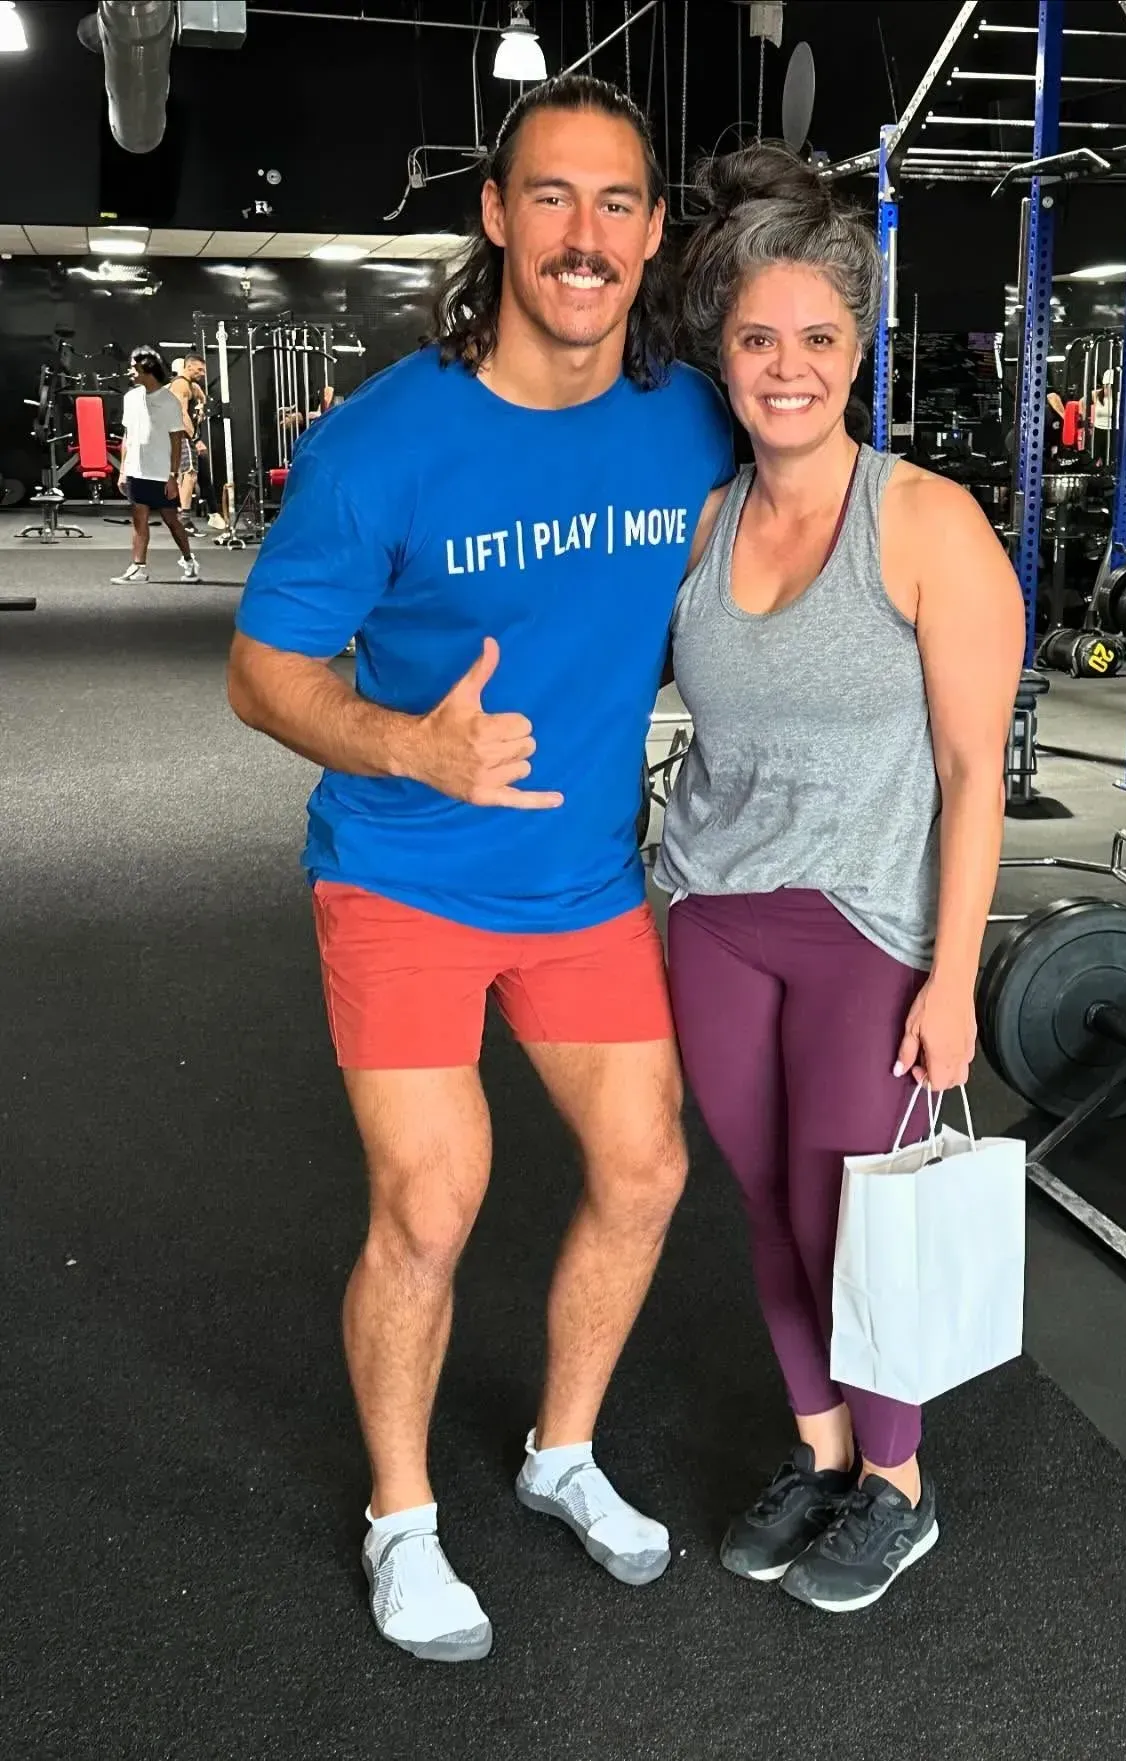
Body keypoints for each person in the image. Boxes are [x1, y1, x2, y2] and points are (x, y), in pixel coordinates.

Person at [225, 74, 731, 1665]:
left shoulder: (691, 415)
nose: (585, 235)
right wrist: (405, 746)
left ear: (654, 234)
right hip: (405, 872)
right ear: (498, 218)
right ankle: (399, 1516)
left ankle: (560, 1450)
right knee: (434, 1205)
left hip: (580, 883)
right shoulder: (383, 443)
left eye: (618, 203)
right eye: (554, 198)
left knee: (645, 1170)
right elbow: (261, 671)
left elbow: (811, 522)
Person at [656, 143, 1025, 1615]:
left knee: (844, 1212)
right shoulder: (704, 520)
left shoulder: (925, 521)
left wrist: (953, 974)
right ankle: (817, 1453)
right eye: (758, 339)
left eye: (817, 338)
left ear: (859, 350)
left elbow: (974, 773)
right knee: (764, 1201)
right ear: (723, 355)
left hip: (868, 926)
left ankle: (897, 1484)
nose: (787, 367)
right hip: (711, 916)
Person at [112, 346, 201, 586]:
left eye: (134, 368)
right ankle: (138, 567)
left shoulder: (168, 401)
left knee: (172, 521)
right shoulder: (130, 398)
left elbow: (177, 440)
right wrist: (123, 470)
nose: (130, 372)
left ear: (147, 370)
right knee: (138, 519)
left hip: (161, 473)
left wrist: (173, 476)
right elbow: (127, 437)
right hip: (136, 471)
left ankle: (189, 561)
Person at [168, 353, 210, 530]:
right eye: (199, 369)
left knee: (182, 476)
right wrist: (196, 438)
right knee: (190, 473)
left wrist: (201, 405)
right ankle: (184, 518)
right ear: (188, 366)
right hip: (181, 435)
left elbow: (202, 398)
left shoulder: (189, 385)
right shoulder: (180, 385)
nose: (202, 373)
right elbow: (181, 414)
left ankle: (180, 514)